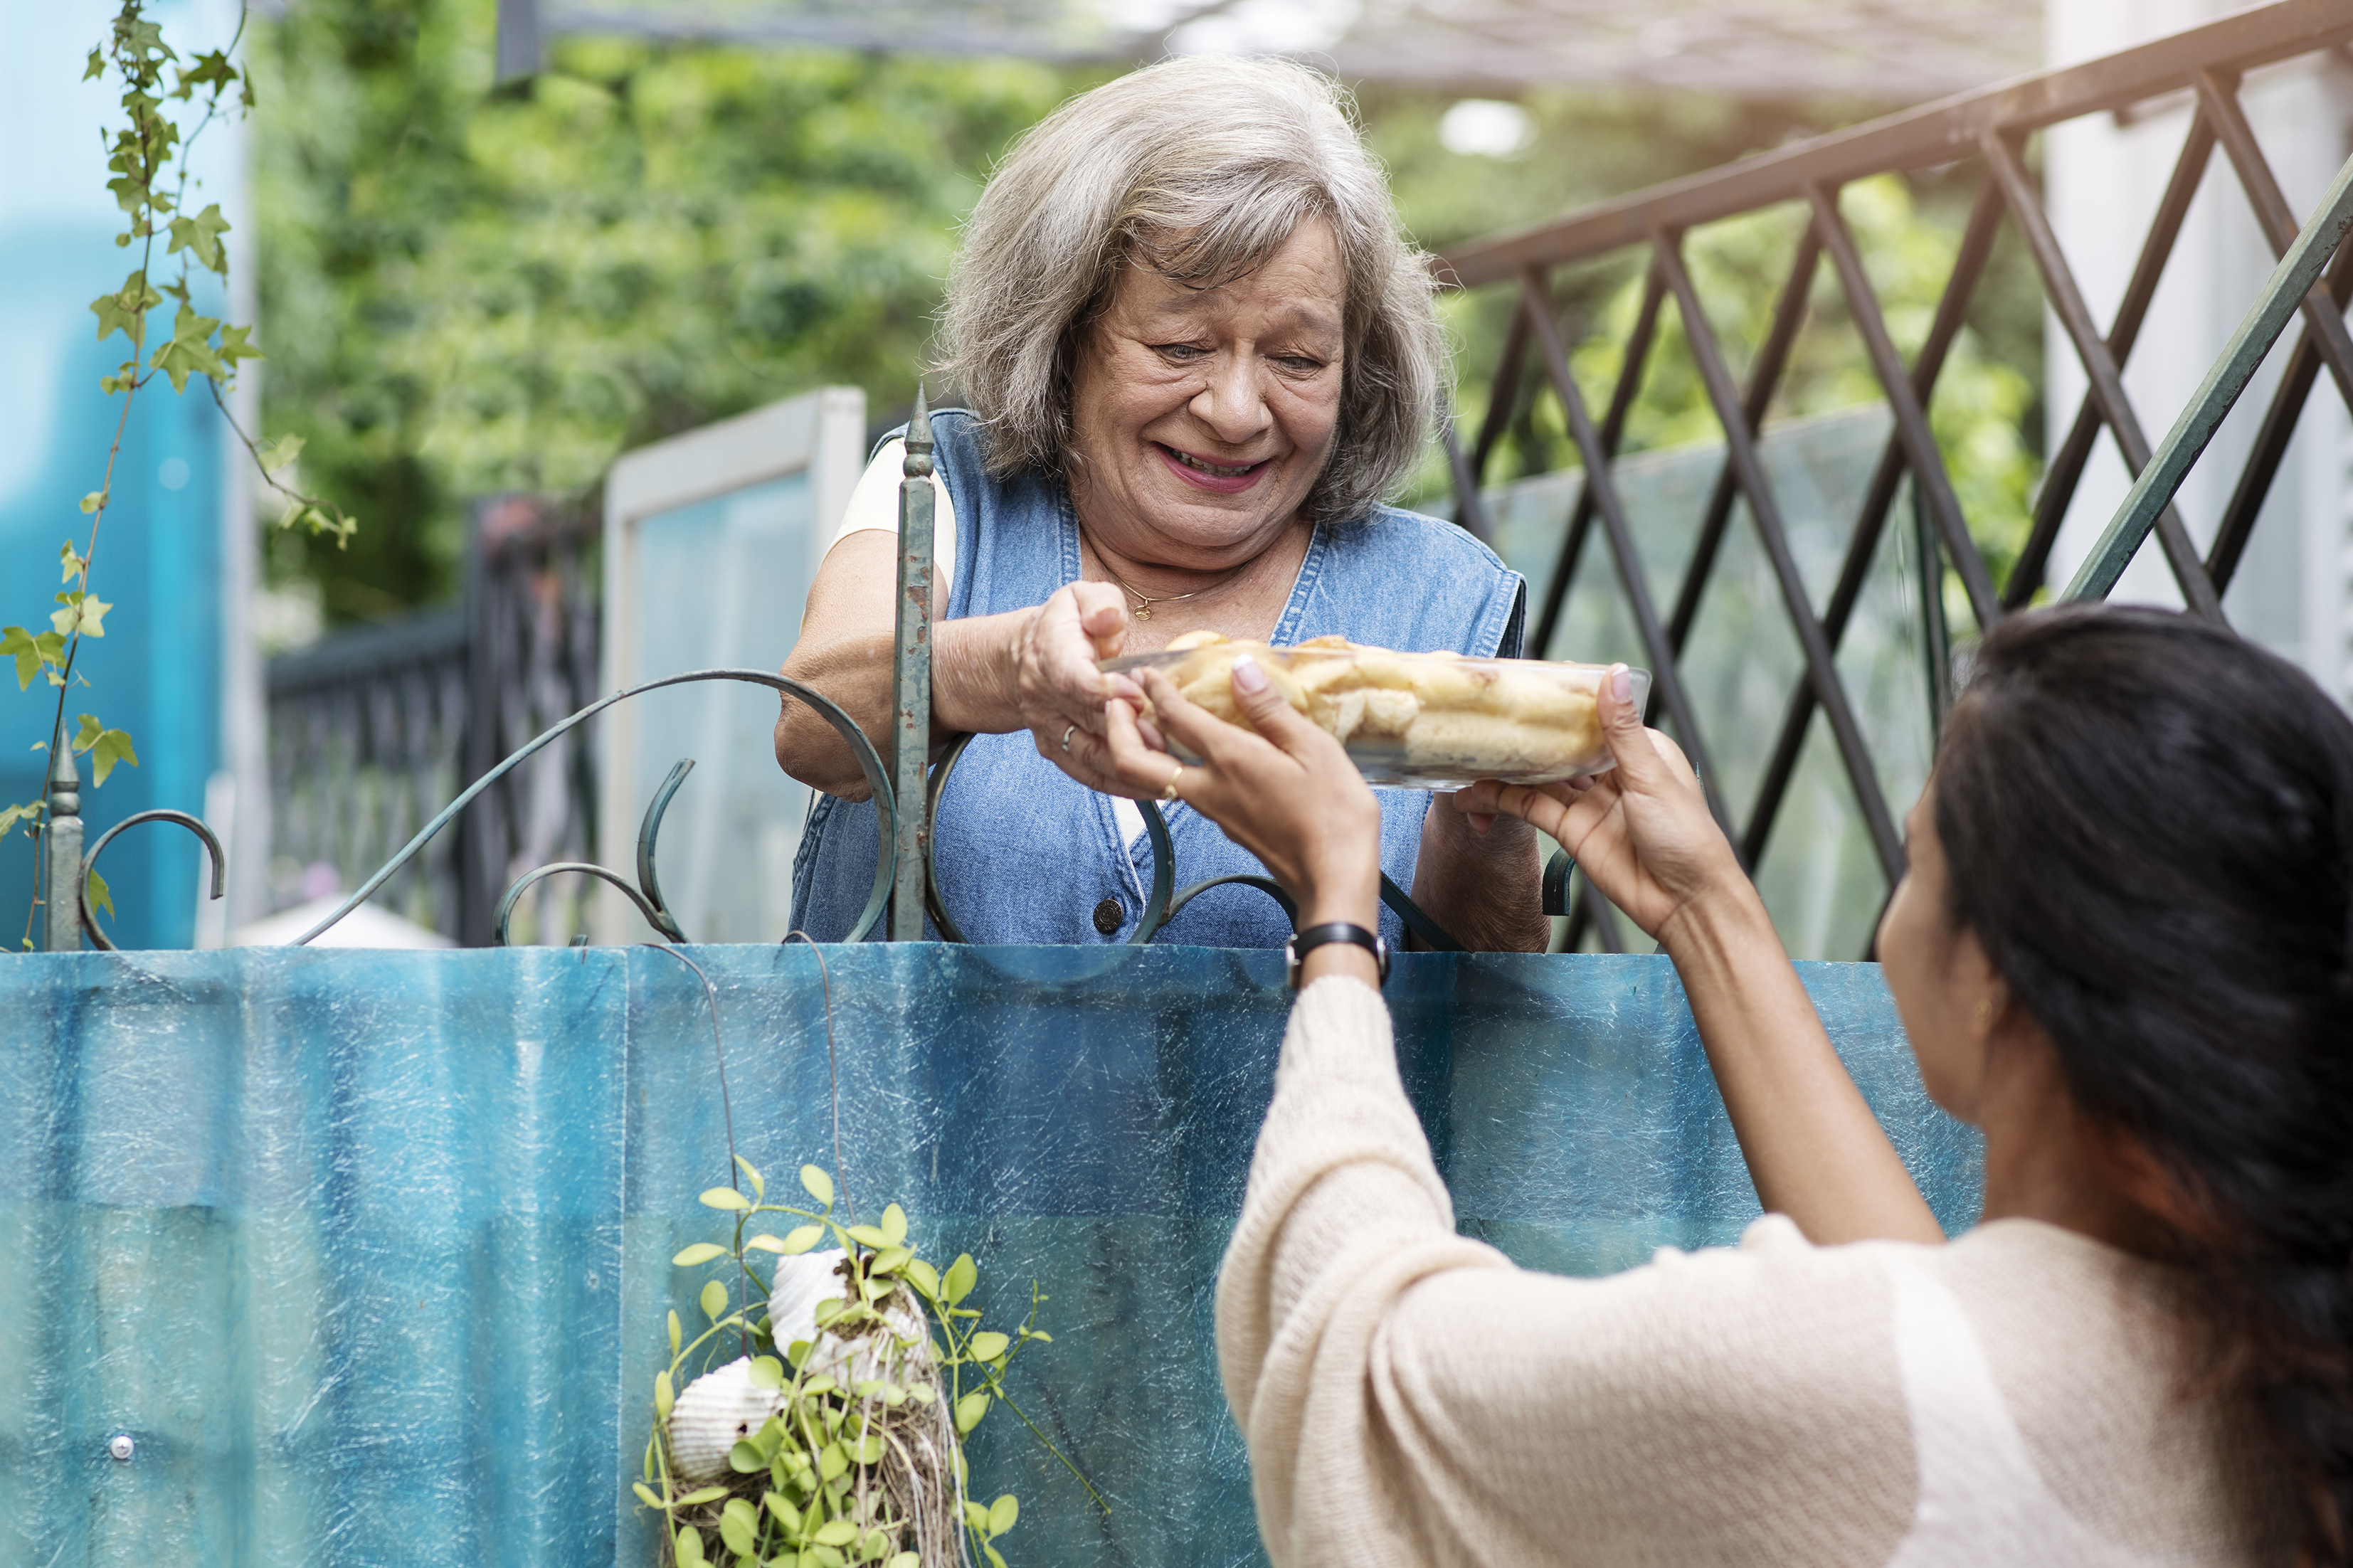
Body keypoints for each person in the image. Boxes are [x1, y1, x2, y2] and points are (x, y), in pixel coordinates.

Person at [1098, 603, 2346, 1564]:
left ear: (1999, 981)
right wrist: (1702, 909)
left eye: (1916, 858)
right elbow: (1931, 1338)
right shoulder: (2269, 1368)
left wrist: (1336, 907)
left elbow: (1364, 1374)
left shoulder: (1816, 1373)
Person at [778, 55, 1542, 952]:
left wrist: (1489, 837)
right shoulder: (947, 485)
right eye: (1180, 346)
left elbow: (1486, 1023)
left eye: (1297, 360)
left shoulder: (1441, 596)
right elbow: (813, 723)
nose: (1236, 410)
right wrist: (1012, 664)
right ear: (1063, 339)